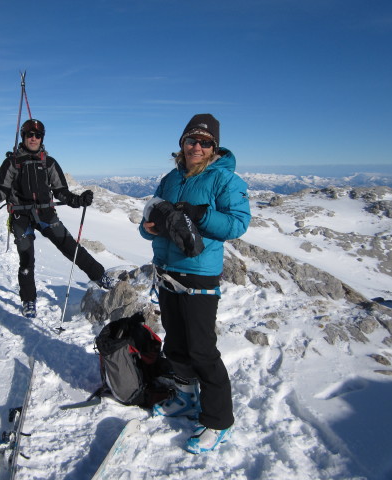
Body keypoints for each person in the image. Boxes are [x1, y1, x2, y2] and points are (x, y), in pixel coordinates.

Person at [140, 114, 251, 454]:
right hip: (167, 270)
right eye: (192, 140)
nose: (197, 147)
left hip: (199, 273)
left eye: (205, 142)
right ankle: (186, 399)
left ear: (214, 147)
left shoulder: (224, 180)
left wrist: (202, 215)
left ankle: (219, 421)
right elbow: (149, 219)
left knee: (202, 350)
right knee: (175, 344)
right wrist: (149, 228)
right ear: (182, 144)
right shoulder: (170, 179)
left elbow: (237, 224)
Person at [0, 118, 113, 319]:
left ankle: (99, 275)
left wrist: (78, 200)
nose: (33, 138)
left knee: (70, 246)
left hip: (45, 214)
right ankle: (28, 300)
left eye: (37, 135)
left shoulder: (49, 163)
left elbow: (61, 192)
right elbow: (0, 193)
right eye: (29, 135)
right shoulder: (12, 163)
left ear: (42, 138)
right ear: (23, 137)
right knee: (27, 259)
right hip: (21, 216)